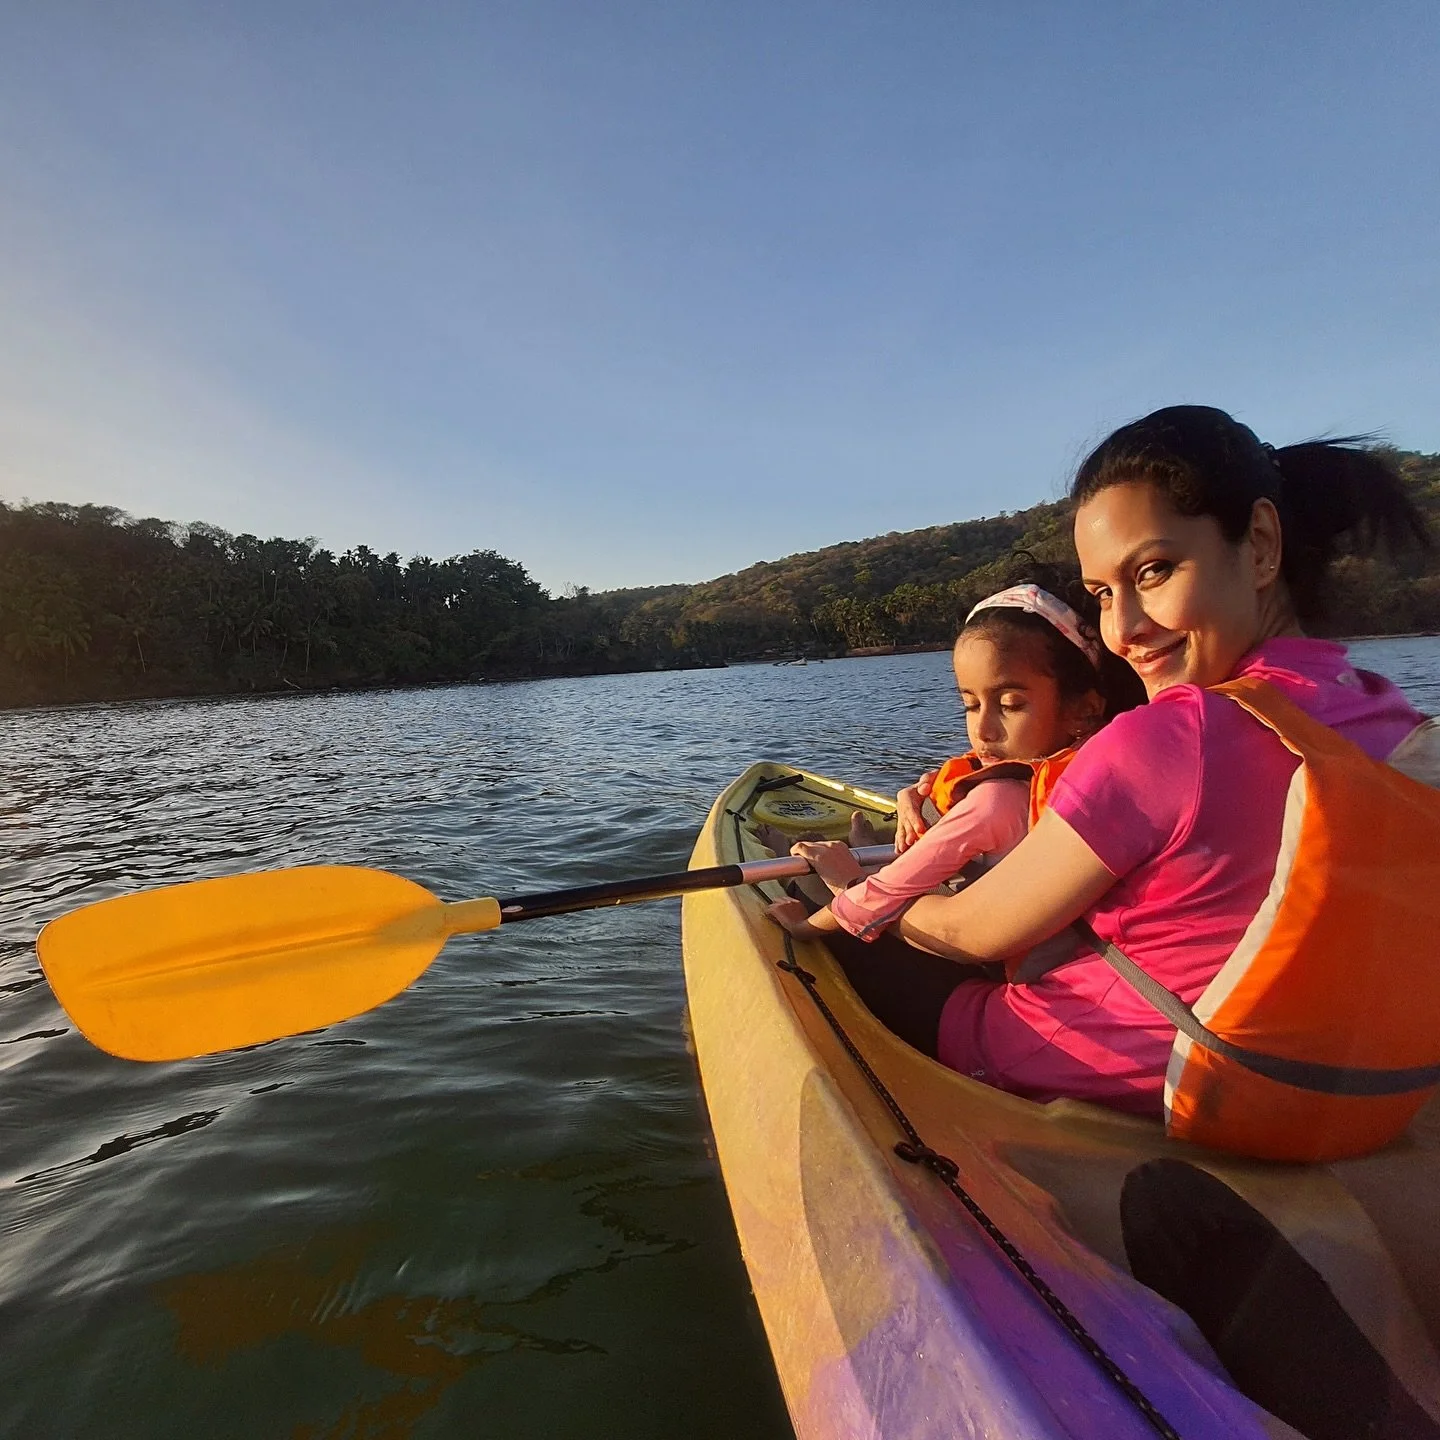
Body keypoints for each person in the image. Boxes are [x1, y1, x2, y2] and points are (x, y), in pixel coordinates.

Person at [882, 405, 1432, 1115]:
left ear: (1262, 543)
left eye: (1155, 570)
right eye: (1104, 594)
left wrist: (876, 903)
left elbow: (972, 931)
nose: (1125, 629)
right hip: (1336, 1093)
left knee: (850, 946)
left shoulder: (1172, 736)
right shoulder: (1393, 718)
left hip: (1133, 1072)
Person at [765, 578, 1142, 1055]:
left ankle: (806, 870)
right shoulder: (1103, 776)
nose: (982, 729)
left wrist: (809, 920)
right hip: (1059, 975)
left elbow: (881, 896)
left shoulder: (997, 800)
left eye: (1011, 705)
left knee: (826, 895)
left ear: (1083, 709)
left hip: (1026, 1005)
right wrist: (913, 797)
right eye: (970, 704)